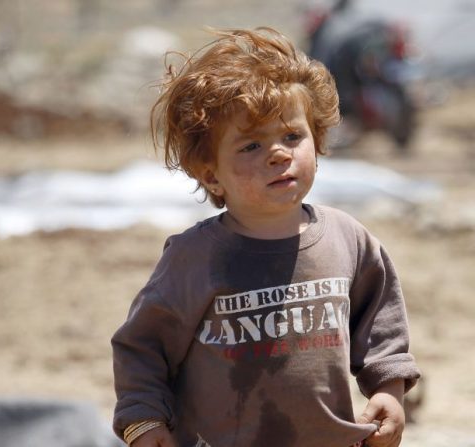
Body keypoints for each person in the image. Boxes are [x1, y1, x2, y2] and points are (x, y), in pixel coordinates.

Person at [111, 27, 421, 447]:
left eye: (292, 136)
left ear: (319, 140)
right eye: (251, 146)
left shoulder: (348, 240)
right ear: (210, 174)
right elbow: (142, 347)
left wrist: (388, 390)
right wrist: (143, 421)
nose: (278, 153)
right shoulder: (195, 257)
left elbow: (380, 323)